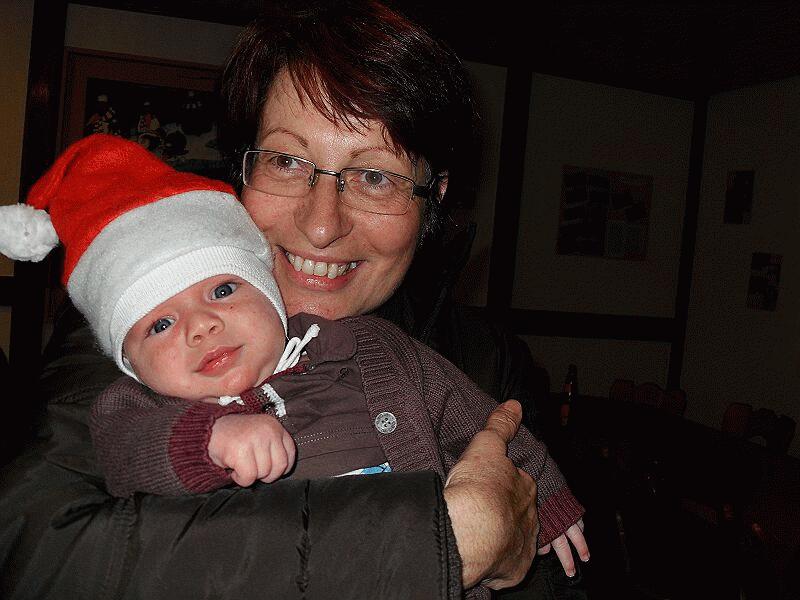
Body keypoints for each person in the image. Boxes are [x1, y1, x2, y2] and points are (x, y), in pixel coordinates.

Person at [0, 2, 585, 598]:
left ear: (433, 196)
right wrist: (440, 545)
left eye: (376, 176)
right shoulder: (144, 324)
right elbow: (40, 555)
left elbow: (557, 575)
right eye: (285, 161)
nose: (322, 226)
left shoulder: (484, 359)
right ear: (241, 169)